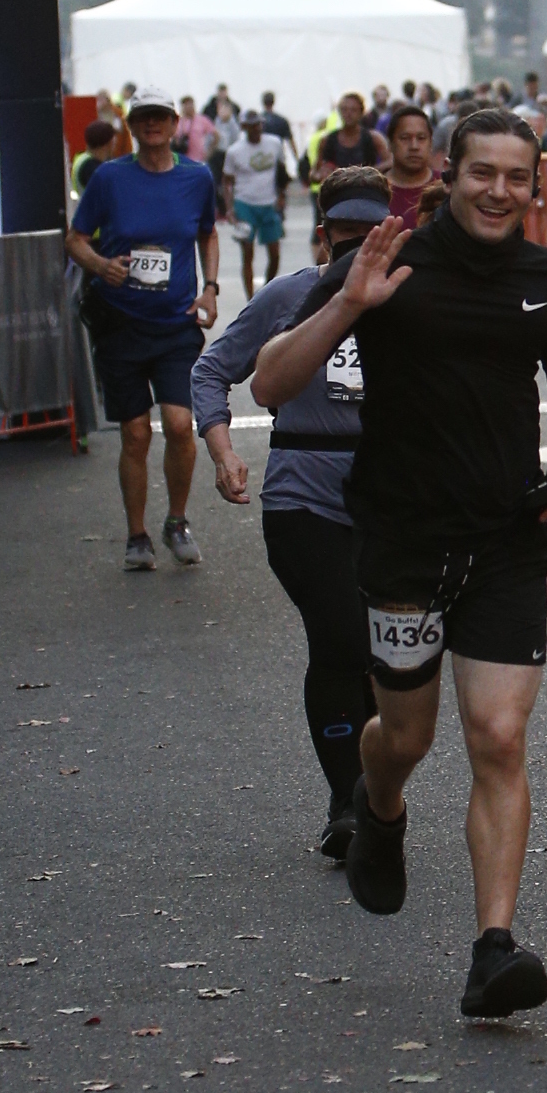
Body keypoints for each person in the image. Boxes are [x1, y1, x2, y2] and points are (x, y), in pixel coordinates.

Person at [250, 111, 547, 1021]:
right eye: (482, 173)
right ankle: (381, 803)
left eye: (516, 178)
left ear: (536, 186)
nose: (498, 192)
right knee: (406, 737)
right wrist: (348, 305)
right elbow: (270, 383)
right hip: (402, 540)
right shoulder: (387, 260)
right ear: (449, 173)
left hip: (508, 537)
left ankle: (494, 949)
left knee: (499, 736)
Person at [193, 165, 386, 857]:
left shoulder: (411, 295)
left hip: (393, 499)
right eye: (345, 231)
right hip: (304, 493)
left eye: (371, 230)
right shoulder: (289, 296)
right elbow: (212, 370)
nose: (357, 243)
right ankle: (346, 798)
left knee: (384, 655)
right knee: (340, 641)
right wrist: (223, 451)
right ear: (323, 233)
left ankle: (376, 789)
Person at [67, 87, 221, 570]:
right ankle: (136, 535)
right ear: (130, 127)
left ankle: (177, 521)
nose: (152, 125)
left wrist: (210, 288)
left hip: (175, 323)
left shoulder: (196, 177)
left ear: (175, 123)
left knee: (178, 425)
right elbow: (75, 239)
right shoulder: (109, 178)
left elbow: (208, 232)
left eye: (160, 116)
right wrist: (99, 265)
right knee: (135, 433)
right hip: (121, 322)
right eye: (142, 118)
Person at [222, 109, 293, 299]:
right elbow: (227, 181)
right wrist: (229, 209)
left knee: (275, 253)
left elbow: (281, 171)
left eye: (258, 125)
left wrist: (282, 195)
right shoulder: (235, 151)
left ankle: (266, 291)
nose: (255, 130)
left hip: (269, 203)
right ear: (244, 127)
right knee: (247, 253)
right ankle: (250, 298)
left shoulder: (274, 143)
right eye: (251, 126)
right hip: (244, 202)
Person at [383, 99, 438, 228]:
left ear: (431, 143)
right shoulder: (376, 190)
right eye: (405, 138)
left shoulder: (447, 188)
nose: (414, 146)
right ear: (390, 144)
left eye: (421, 138)